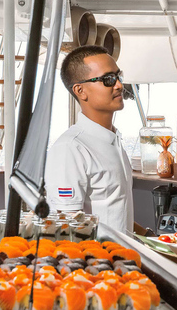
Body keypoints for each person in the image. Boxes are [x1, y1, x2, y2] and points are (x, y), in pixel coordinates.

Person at [45, 44, 152, 236]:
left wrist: (149, 237)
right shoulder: (70, 149)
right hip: (96, 263)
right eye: (108, 79)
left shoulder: (113, 141)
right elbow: (67, 227)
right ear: (80, 91)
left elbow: (114, 211)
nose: (119, 85)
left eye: (118, 76)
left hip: (123, 259)